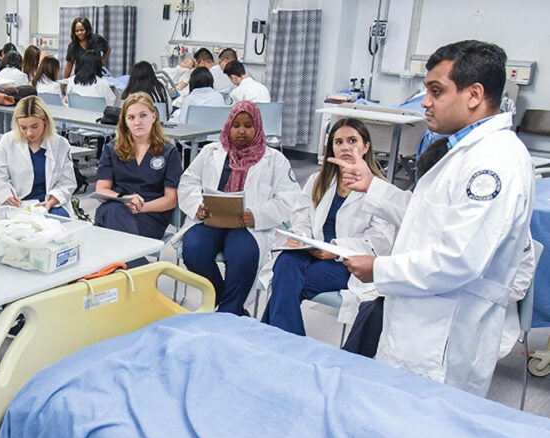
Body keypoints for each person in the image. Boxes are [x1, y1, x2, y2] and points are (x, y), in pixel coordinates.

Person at [332, 40, 534, 396]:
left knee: (422, 428)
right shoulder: (463, 152)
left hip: (444, 340)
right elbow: (425, 218)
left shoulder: (493, 162)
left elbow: (459, 259)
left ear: (474, 94)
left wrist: (379, 269)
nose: (425, 102)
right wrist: (373, 187)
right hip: (421, 324)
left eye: (436, 91)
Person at [260, 118, 394, 336]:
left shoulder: (380, 189)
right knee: (285, 261)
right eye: (338, 142)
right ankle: (283, 343)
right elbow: (301, 217)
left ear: (366, 146)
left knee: (285, 284)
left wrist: (335, 249)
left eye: (353, 140)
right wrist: (301, 238)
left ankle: (276, 340)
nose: (346, 147)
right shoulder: (318, 180)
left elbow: (380, 241)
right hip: (311, 251)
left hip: (347, 262)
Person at [178, 101, 304, 314]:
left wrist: (258, 215)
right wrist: (197, 206)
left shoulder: (275, 160)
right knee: (193, 248)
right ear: (228, 126)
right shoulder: (211, 152)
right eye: (236, 126)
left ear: (258, 127)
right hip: (212, 219)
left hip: (248, 225)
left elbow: (290, 200)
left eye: (248, 126)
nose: (241, 131)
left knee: (243, 255)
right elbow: (188, 182)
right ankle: (226, 301)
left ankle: (227, 313)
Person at [93, 92, 183, 268]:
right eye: (131, 117)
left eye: (143, 116)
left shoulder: (169, 152)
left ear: (154, 116)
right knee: (113, 210)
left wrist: (141, 207)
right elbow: (102, 190)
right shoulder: (112, 149)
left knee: (111, 229)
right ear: (125, 121)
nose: (137, 122)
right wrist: (126, 200)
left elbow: (171, 199)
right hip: (118, 208)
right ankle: (140, 271)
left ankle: (133, 273)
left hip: (150, 215)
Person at [0, 95, 77, 218]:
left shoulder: (60, 144)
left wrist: (51, 201)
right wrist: (7, 196)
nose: (29, 133)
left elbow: (67, 182)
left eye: (35, 127)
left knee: (56, 224)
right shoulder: (8, 141)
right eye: (23, 128)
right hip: (17, 204)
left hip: (49, 204)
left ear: (45, 121)